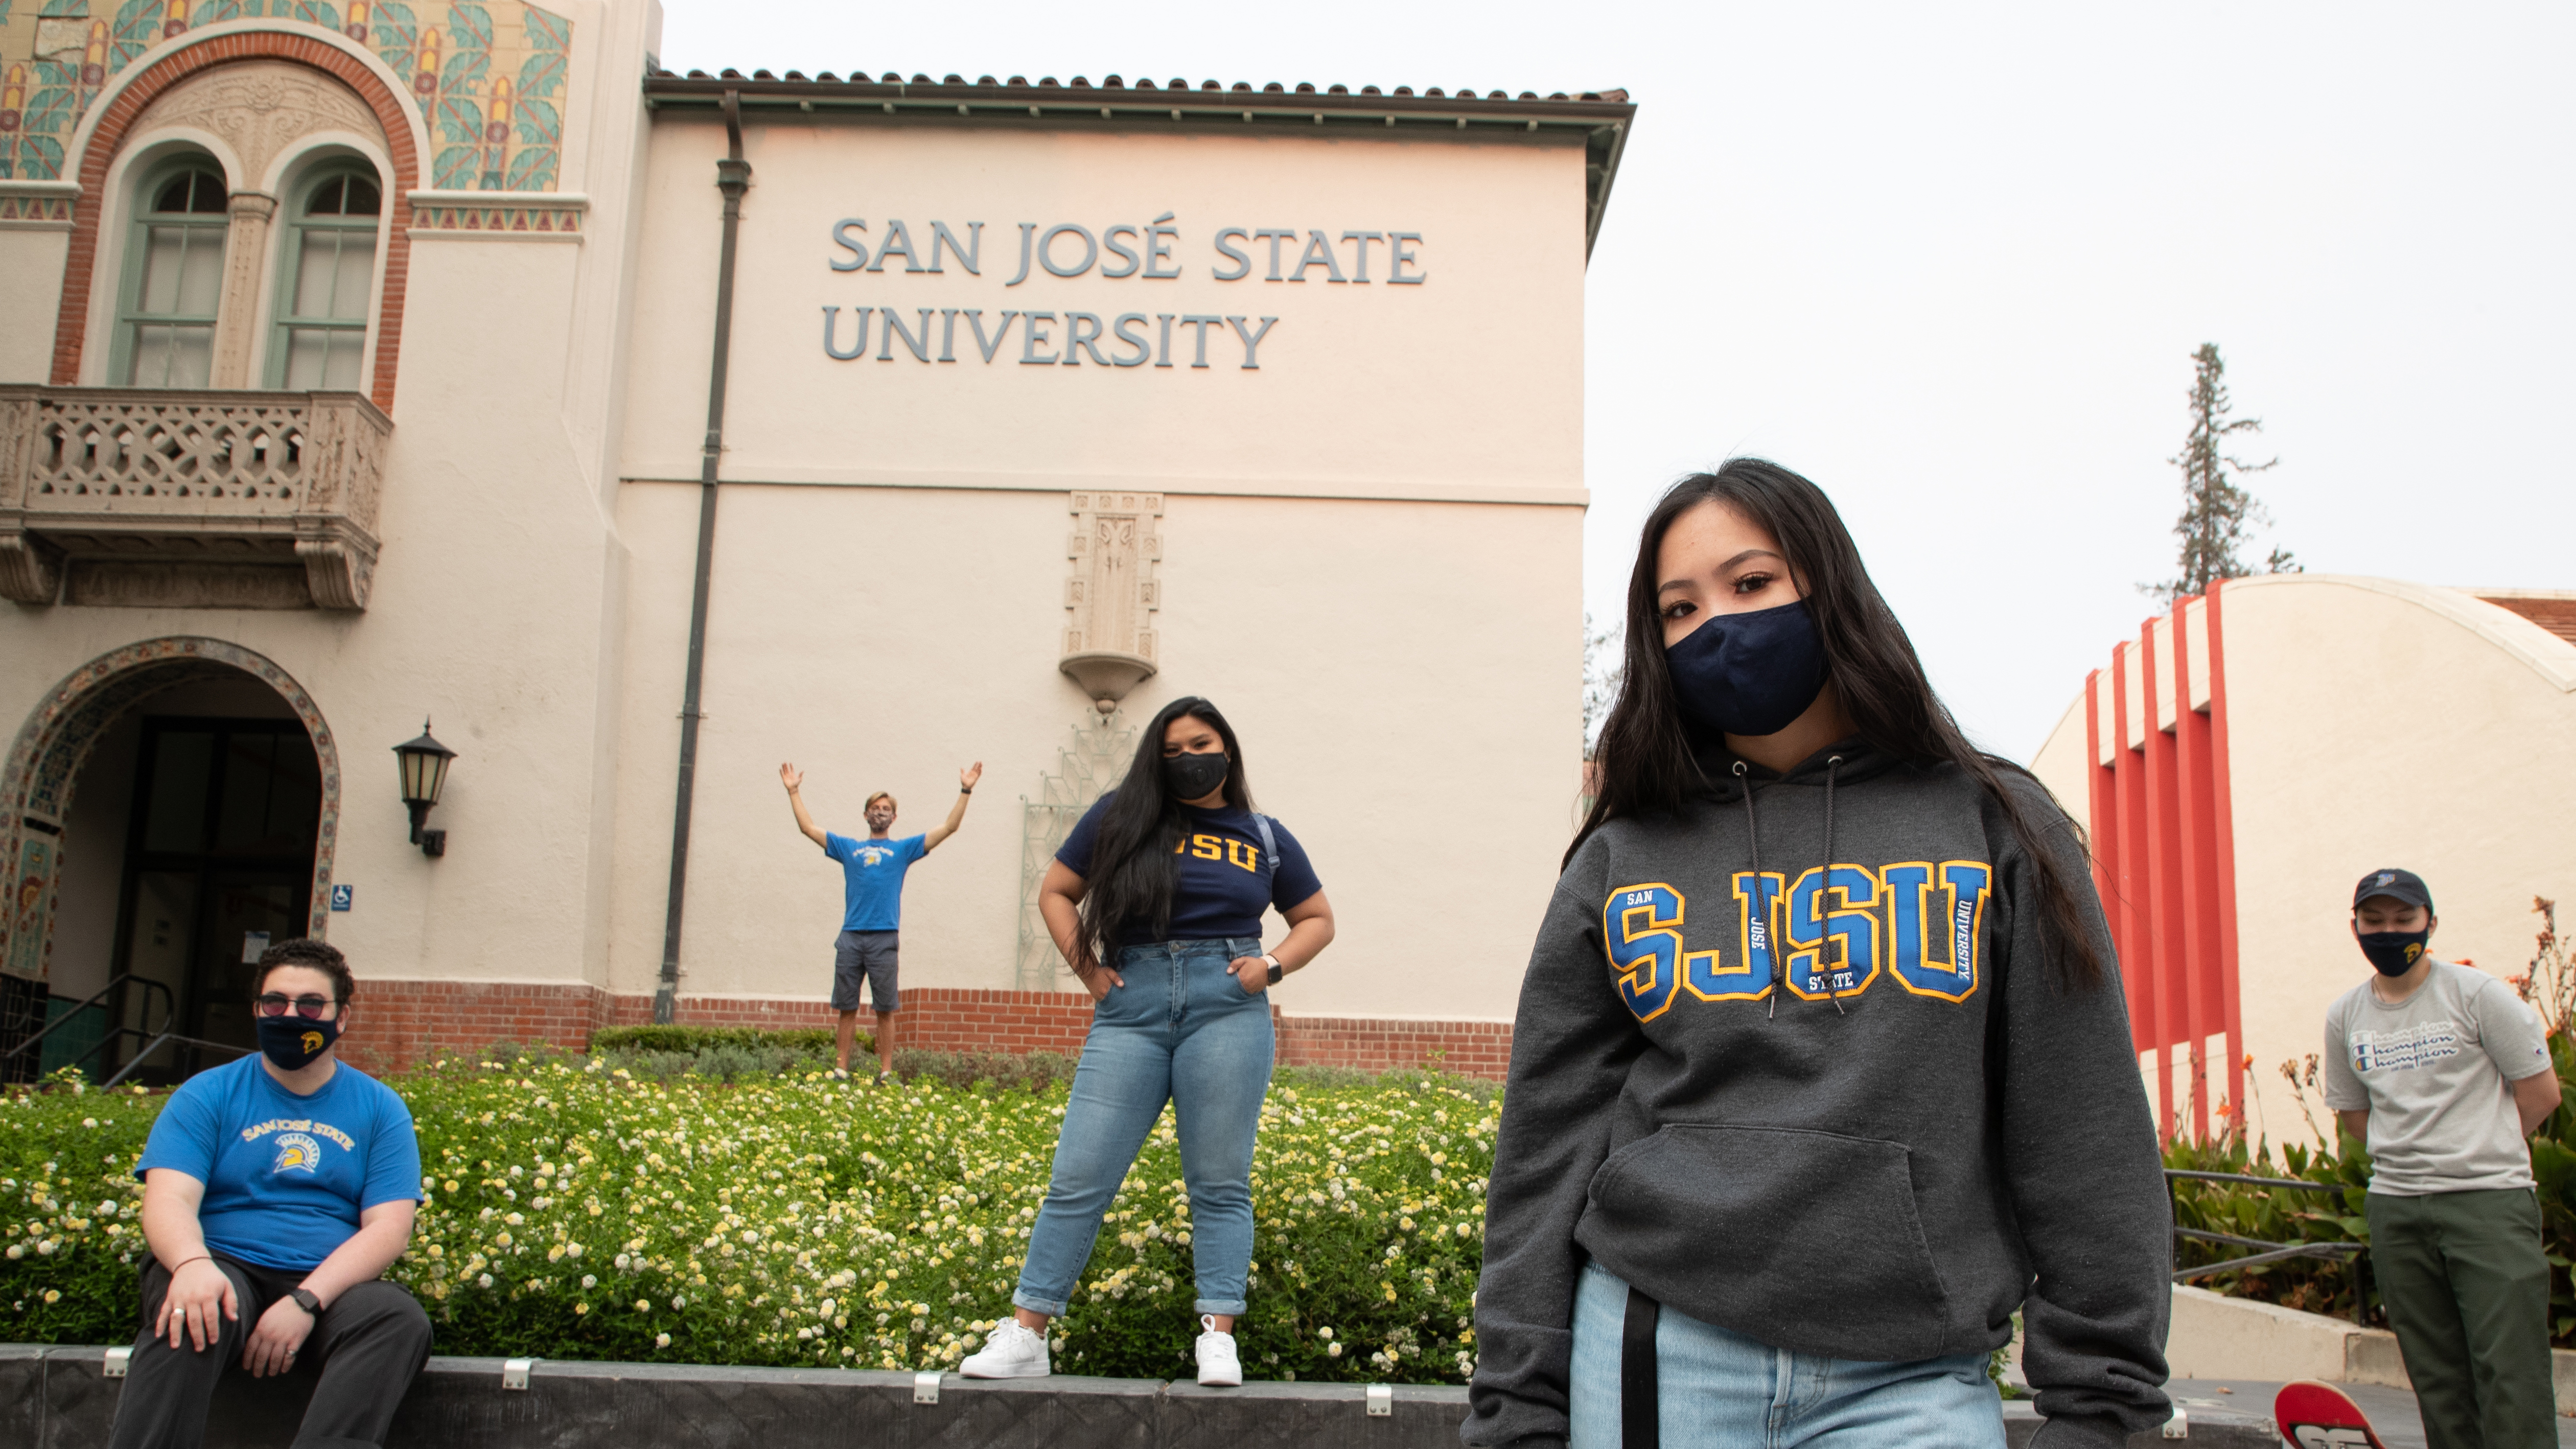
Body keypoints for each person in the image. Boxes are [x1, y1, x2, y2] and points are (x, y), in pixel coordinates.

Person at [1466, 460, 2173, 1449]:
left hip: (1913, 1376)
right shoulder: (1623, 853)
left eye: (1750, 584)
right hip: (1652, 1349)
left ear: (1828, 587)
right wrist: (1515, 1398)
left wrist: (2101, 1399)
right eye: (1678, 609)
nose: (1715, 624)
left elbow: (2080, 1118)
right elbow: (1547, 1140)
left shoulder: (1994, 823)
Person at [960, 696, 1334, 1388]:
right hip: (1131, 1004)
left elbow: (1315, 917)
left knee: (1220, 1182)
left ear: (1227, 748)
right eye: (1172, 751)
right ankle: (1026, 1334)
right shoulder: (1122, 817)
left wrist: (1272, 966)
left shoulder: (1262, 832)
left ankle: (1217, 1336)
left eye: (1201, 744)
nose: (1188, 759)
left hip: (1227, 1005)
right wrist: (1090, 976)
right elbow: (1055, 891)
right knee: (1079, 1177)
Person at [108, 938, 430, 1449]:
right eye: (275, 1003)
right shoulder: (207, 1093)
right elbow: (168, 1199)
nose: (291, 1015)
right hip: (220, 1264)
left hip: (326, 1284)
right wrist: (191, 1266)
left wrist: (305, 1300)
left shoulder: (380, 1108)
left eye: (310, 1005)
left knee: (396, 1318)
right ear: (257, 1010)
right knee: (193, 1310)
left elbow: (389, 1228)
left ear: (340, 1017)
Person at [2324, 868, 2561, 1449]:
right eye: (2373, 920)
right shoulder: (2345, 1015)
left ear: (2430, 922)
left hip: (2487, 1201)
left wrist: (2480, 1143)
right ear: (2354, 926)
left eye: (2403, 919)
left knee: (2511, 1371)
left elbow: (2540, 1092)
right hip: (2397, 1210)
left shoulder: (2475, 995)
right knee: (2436, 1378)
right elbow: (2355, 1118)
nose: (2388, 931)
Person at [781, 759, 983, 1081]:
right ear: (865, 815)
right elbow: (808, 828)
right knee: (847, 1007)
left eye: (886, 807)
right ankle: (841, 1069)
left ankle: (886, 1071)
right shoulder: (849, 848)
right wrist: (794, 792)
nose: (880, 812)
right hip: (851, 936)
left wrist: (965, 789)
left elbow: (949, 828)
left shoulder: (903, 850)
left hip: (884, 938)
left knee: (885, 1009)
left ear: (894, 816)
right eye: (875, 807)